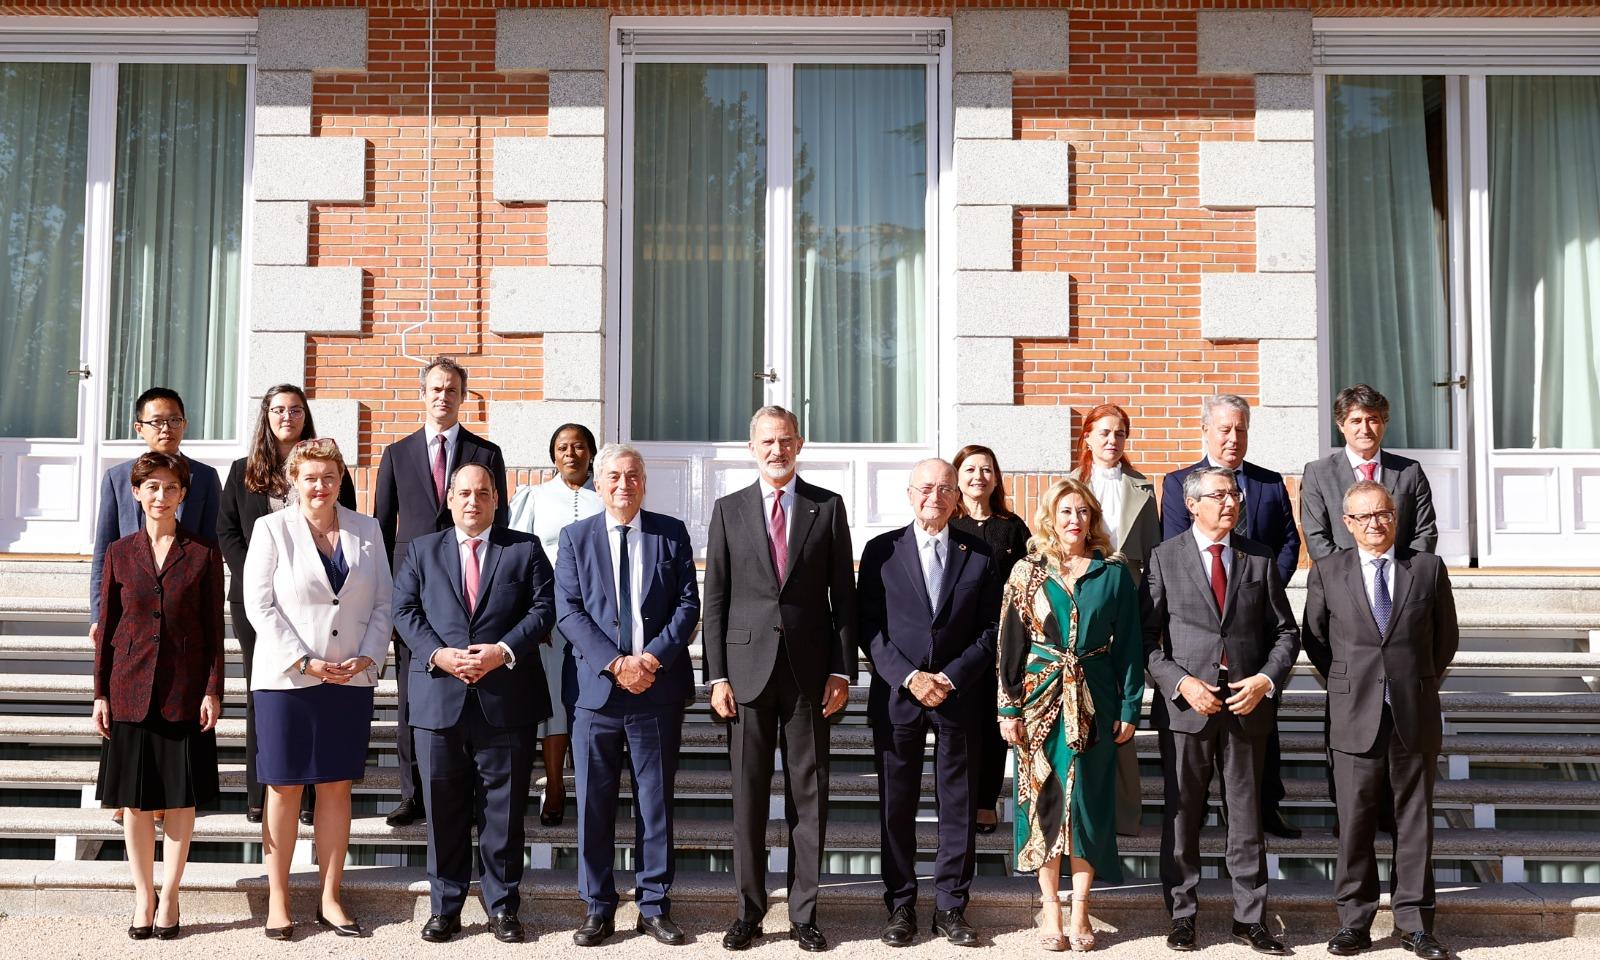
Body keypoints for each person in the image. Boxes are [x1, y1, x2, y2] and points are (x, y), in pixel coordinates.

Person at [702, 405, 859, 953]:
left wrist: (843, 669)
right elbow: (715, 599)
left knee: (808, 797)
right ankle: (748, 911)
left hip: (810, 675)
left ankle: (803, 915)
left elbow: (845, 597)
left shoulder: (828, 508)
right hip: (744, 676)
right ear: (752, 447)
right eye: (767, 441)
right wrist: (715, 675)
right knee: (747, 798)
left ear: (800, 444)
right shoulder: (728, 510)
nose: (776, 450)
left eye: (785, 440)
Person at [393, 462, 555, 944]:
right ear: (449, 499)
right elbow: (404, 610)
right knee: (444, 812)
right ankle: (446, 907)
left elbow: (544, 607)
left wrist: (502, 651)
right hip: (438, 702)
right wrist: (438, 654)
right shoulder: (423, 551)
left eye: (482, 493)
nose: (472, 501)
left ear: (495, 500)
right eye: (463, 493)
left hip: (506, 701)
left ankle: (503, 906)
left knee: (502, 813)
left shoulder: (523, 550)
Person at [1142, 467, 1299, 955]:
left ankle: (1249, 919)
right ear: (1192, 504)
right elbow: (1146, 642)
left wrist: (1265, 680)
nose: (1231, 502)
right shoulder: (1164, 558)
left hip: (1246, 707)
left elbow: (1286, 634)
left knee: (1247, 816)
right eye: (1220, 495)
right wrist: (1182, 683)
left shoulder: (1259, 557)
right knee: (1182, 815)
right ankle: (1183, 915)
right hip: (1187, 710)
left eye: (1235, 494)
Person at [1301, 481, 1458, 960]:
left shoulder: (1426, 569)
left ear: (1395, 516)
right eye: (1364, 517)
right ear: (1347, 524)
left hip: (1412, 710)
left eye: (1383, 513)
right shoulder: (1328, 571)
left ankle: (1414, 924)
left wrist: (1410, 679)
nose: (1375, 523)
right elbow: (1316, 641)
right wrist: (1353, 684)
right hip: (1353, 714)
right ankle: (1355, 922)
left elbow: (1444, 640)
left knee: (1415, 822)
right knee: (1355, 822)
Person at [243, 438, 391, 941]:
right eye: (310, 477)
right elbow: (258, 606)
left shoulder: (366, 529)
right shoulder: (271, 529)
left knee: (335, 787)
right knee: (283, 788)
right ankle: (278, 899)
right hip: (287, 680)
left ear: (340, 478)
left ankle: (331, 896)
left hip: (349, 678)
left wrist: (367, 656)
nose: (320, 486)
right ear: (294, 479)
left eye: (329, 476)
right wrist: (304, 660)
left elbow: (384, 605)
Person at [555, 444, 700, 947]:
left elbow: (687, 606)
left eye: (633, 475)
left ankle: (654, 904)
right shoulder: (575, 538)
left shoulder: (670, 533)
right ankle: (597, 907)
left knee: (654, 804)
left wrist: (650, 661)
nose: (623, 484)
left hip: (656, 691)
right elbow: (568, 611)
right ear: (598, 484)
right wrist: (616, 664)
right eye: (613, 476)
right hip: (596, 694)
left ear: (644, 482)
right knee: (594, 805)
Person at [996, 478, 1143, 953]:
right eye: (1065, 512)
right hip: (1039, 701)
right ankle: (1050, 908)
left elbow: (1131, 650)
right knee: (1043, 801)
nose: (1074, 520)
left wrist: (1128, 707)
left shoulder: (1114, 573)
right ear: (1049, 519)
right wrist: (1008, 707)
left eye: (1082, 512)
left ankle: (1081, 907)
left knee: (1087, 805)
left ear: (1092, 518)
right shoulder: (1026, 572)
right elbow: (1010, 647)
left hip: (1096, 701)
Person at [859, 459, 999, 948]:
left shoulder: (978, 554)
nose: (934, 497)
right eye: (925, 488)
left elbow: (990, 630)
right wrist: (910, 676)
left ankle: (950, 907)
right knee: (896, 805)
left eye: (944, 489)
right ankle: (900, 906)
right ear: (909, 493)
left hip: (958, 696)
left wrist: (949, 676)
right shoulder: (880, 551)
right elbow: (868, 627)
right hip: (899, 695)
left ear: (956, 496)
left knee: (957, 806)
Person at [91, 452, 224, 941]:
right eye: (152, 488)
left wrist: (214, 689)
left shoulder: (205, 553)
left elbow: (214, 629)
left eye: (170, 488)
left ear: (183, 495)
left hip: (185, 692)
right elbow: (107, 629)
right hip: (129, 689)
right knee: (136, 802)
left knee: (180, 799)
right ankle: (143, 894)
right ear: (136, 493)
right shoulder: (118, 553)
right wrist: (100, 692)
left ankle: (170, 894)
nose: (161, 496)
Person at [374, 356, 509, 827]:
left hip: (471, 591)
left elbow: (502, 524)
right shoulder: (396, 453)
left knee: (474, 695)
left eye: (451, 389)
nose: (443, 396)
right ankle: (415, 792)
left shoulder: (485, 453)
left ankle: (469, 792)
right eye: (435, 388)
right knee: (414, 697)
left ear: (462, 396)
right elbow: (381, 529)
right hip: (413, 592)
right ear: (423, 393)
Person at [1160, 394, 1302, 840]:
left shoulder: (1268, 483)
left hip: (1255, 623)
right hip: (1198, 636)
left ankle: (1266, 807)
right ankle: (1200, 814)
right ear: (1205, 431)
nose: (1233, 437)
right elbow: (1173, 549)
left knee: (1260, 730)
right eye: (1225, 429)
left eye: (1241, 429)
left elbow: (1287, 543)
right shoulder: (1178, 482)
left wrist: (1259, 589)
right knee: (1191, 780)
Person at [218, 386, 358, 826]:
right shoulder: (243, 471)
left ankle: (316, 795)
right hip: (256, 602)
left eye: (296, 410)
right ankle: (262, 793)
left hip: (319, 603)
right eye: (278, 410)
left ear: (305, 417)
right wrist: (265, 577)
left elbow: (345, 529)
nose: (287, 417)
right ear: (266, 416)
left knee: (320, 695)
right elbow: (227, 533)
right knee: (267, 695)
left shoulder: (329, 468)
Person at [507, 422, 603, 826]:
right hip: (549, 619)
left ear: (591, 453)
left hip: (597, 618)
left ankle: (593, 786)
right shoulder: (534, 499)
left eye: (579, 446)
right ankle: (555, 783)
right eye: (563, 447)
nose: (571, 454)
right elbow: (518, 559)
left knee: (591, 701)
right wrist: (533, 613)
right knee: (554, 707)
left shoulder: (606, 498)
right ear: (553, 455)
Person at [1074, 403, 1162, 839]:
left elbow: (1155, 555)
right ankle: (1075, 812)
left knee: (1120, 713)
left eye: (1120, 434)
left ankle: (1123, 815)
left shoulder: (1143, 489)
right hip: (1081, 606)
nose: (1113, 441)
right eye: (1104, 433)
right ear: (1087, 437)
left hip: (1124, 604)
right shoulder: (1068, 488)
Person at [90, 386, 222, 636]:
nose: (166, 428)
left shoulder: (205, 478)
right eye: (157, 422)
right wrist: (98, 614)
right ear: (139, 428)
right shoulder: (117, 478)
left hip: (184, 613)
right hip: (131, 608)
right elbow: (103, 552)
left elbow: (212, 550)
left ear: (184, 424)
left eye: (174, 420)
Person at [949, 444, 1029, 837]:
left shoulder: (1012, 527)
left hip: (1002, 638)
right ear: (957, 476)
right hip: (959, 641)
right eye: (970, 469)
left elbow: (1031, 579)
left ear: (996, 478)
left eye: (986, 470)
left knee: (994, 720)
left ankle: (986, 801)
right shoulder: (947, 524)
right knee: (963, 722)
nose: (978, 476)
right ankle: (961, 798)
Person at [1300, 384, 1439, 560]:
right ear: (1341, 426)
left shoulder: (1409, 472)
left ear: (1384, 423)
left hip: (1400, 578)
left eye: (1372, 419)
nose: (1365, 429)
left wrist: (1403, 573)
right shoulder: (1318, 474)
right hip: (1343, 580)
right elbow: (1316, 537)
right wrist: (1357, 574)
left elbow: (1425, 532)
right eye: (1356, 421)